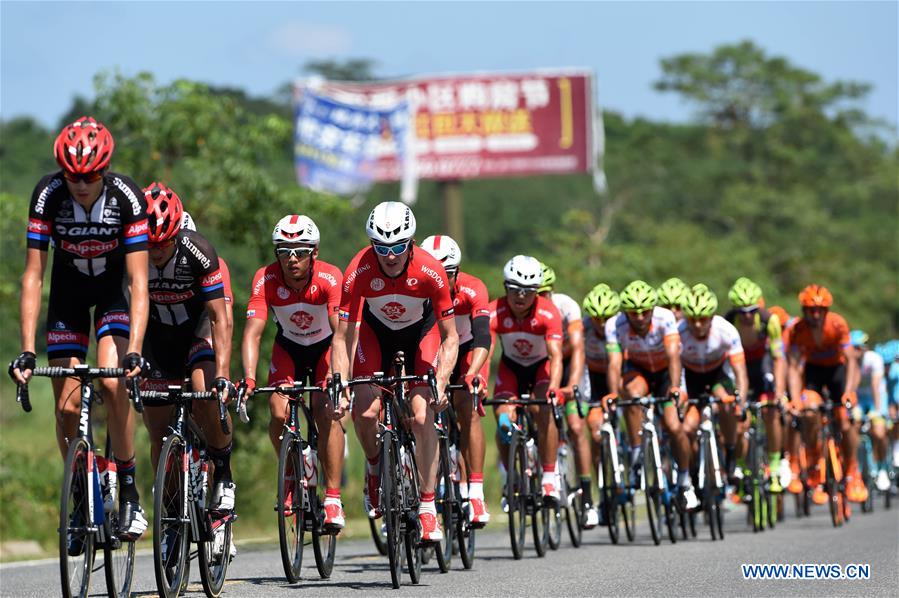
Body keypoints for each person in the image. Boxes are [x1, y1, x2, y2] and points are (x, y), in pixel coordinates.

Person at [9, 116, 150, 541]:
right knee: (67, 408)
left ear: (103, 171)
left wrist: (135, 351)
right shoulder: (47, 195)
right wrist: (27, 349)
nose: (82, 183)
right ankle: (79, 493)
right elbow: (34, 277)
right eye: (73, 175)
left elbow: (139, 283)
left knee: (112, 384)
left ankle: (127, 486)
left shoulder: (127, 197)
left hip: (112, 296)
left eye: (90, 176)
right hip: (68, 297)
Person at [330, 202, 459, 542]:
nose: (390, 256)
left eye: (399, 247)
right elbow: (341, 336)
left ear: (411, 243)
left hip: (422, 332)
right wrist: (340, 381)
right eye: (382, 248)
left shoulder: (431, 270)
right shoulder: (358, 269)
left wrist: (441, 384)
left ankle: (429, 508)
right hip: (376, 334)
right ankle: (374, 468)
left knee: (420, 416)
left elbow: (451, 337)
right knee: (366, 409)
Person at [239, 215, 347, 528]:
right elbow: (252, 333)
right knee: (277, 410)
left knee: (326, 411)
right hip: (289, 348)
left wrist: (339, 376)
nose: (292, 259)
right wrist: (248, 377)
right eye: (284, 251)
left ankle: (332, 498)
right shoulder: (266, 278)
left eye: (299, 251)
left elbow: (339, 331)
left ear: (314, 252)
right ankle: (289, 473)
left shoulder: (329, 277)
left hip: (325, 348)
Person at [605, 280, 698, 509]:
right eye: (633, 313)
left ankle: (686, 480)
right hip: (639, 371)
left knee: (674, 426)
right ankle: (637, 450)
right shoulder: (614, 324)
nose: (639, 317)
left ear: (652, 309)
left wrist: (675, 387)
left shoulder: (664, 318)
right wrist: (612, 393)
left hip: (665, 372)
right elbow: (615, 363)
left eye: (644, 311)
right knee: (630, 394)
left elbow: (674, 356)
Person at [419, 235, 492, 525]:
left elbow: (484, 335)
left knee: (468, 408)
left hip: (468, 353)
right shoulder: (419, 291)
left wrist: (473, 372)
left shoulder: (473, 289)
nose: (438, 279)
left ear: (457, 272)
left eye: (446, 274)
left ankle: (475, 492)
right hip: (434, 349)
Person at [490, 256, 564, 502]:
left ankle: (549, 479)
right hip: (511, 369)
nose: (520, 296)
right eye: (514, 290)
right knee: (502, 420)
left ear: (536, 292)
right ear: (505, 288)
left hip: (540, 370)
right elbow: (486, 349)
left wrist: (554, 388)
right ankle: (511, 475)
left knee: (545, 411)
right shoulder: (495, 311)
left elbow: (555, 355)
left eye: (528, 291)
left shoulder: (548, 312)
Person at [784, 284, 863, 504]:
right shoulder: (798, 330)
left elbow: (851, 361)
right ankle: (813, 458)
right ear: (804, 311)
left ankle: (852, 471)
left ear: (826, 311)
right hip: (814, 373)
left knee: (845, 422)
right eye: (811, 310)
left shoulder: (837, 324)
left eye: (820, 310)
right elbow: (793, 367)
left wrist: (850, 391)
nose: (816, 315)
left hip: (838, 373)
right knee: (808, 412)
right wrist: (794, 398)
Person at [538, 263, 597, 526]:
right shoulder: (526, 311)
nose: (542, 299)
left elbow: (578, 349)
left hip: (570, 369)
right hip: (542, 369)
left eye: (546, 293)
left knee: (575, 426)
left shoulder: (567, 307)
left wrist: (571, 386)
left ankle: (587, 495)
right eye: (537, 293)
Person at [679, 285, 749, 494]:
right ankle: (693, 470)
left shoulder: (726, 330)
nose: (698, 325)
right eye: (693, 319)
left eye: (703, 319)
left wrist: (740, 402)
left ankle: (729, 455)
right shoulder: (679, 332)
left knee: (728, 405)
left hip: (717, 375)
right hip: (691, 378)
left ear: (712, 316)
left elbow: (740, 374)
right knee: (688, 427)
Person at [724, 277, 788, 493]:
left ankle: (776, 465)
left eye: (752, 310)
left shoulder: (770, 320)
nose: (748, 316)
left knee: (771, 412)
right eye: (742, 312)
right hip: (738, 369)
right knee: (739, 420)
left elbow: (779, 358)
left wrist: (779, 392)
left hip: (762, 368)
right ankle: (741, 468)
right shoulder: (728, 322)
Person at [581, 283, 621, 523]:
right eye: (597, 318)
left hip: (618, 376)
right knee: (595, 433)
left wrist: (617, 393)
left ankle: (628, 453)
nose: (602, 323)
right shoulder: (584, 329)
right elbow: (580, 365)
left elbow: (619, 363)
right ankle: (603, 488)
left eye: (607, 317)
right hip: (594, 379)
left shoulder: (619, 328)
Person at [850, 330, 891, 492]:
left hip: (877, 398)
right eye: (853, 348)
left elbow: (875, 385)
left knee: (879, 433)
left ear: (865, 348)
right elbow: (851, 387)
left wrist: (878, 411)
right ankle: (856, 469)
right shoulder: (850, 361)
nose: (855, 352)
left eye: (858, 348)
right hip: (859, 400)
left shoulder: (874, 359)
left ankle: (881, 469)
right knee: (852, 426)